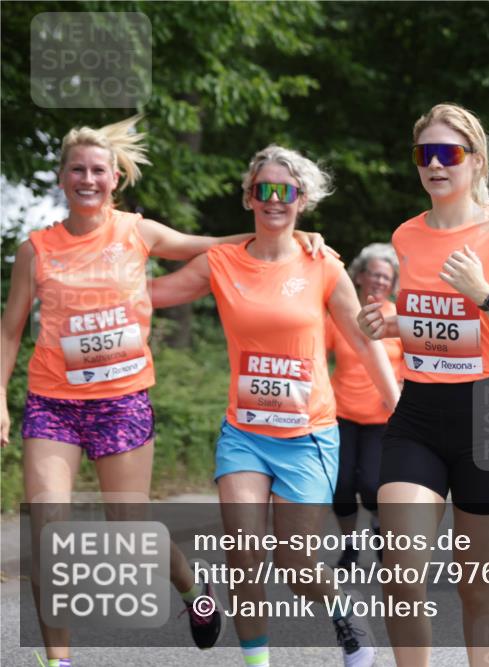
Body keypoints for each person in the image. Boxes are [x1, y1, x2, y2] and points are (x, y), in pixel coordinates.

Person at [0, 117, 321, 666]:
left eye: (98, 170)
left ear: (115, 179)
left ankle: (191, 588)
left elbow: (217, 245)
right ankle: (57, 661)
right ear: (61, 178)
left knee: (130, 528)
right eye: (76, 169)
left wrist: (290, 239)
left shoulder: (137, 233)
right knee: (47, 529)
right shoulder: (37, 250)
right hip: (53, 403)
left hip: (122, 401)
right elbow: (9, 330)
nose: (87, 178)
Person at [151, 144, 398, 667]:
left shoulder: (322, 263)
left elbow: (361, 338)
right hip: (245, 432)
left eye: (283, 191)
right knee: (243, 553)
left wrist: (397, 406)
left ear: (301, 200)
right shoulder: (220, 262)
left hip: (307, 434)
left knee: (296, 563)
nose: (272, 200)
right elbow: (151, 293)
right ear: (248, 198)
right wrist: (90, 276)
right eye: (262, 190)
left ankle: (341, 610)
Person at [356, 103, 489, 667]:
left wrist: (484, 292)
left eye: (449, 153)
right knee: (400, 575)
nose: (435, 164)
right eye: (425, 154)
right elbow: (439, 326)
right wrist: (392, 322)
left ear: (476, 160)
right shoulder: (407, 235)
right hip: (418, 415)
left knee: (475, 586)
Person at [328, 243, 404, 568]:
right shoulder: (340, 317)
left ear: (393, 282)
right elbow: (315, 356)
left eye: (385, 276)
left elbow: (415, 363)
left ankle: (378, 523)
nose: (378, 281)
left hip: (382, 415)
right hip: (340, 411)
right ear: (358, 277)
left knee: (372, 485)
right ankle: (349, 546)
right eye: (372, 274)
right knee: (342, 485)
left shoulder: (399, 321)